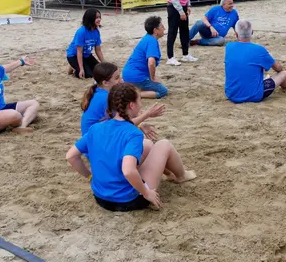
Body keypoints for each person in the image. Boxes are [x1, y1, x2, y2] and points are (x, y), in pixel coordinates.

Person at [67, 83, 196, 212]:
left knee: (147, 145)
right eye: (140, 100)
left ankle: (169, 173)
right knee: (164, 144)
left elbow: (71, 156)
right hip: (128, 200)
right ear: (131, 105)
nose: (141, 104)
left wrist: (90, 177)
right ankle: (181, 176)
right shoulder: (133, 133)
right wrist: (146, 192)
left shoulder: (96, 128)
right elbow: (128, 170)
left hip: (100, 197)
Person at [224, 19, 286, 103]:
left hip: (231, 94)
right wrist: (269, 56)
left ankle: (267, 79)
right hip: (254, 95)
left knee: (252, 68)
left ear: (236, 34)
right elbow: (278, 68)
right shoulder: (259, 50)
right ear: (252, 32)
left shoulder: (229, 47)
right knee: (283, 73)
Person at [81, 62, 164, 136]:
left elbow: (123, 120)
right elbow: (123, 124)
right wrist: (147, 114)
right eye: (117, 78)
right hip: (97, 142)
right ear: (105, 83)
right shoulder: (107, 98)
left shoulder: (98, 91)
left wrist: (140, 123)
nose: (121, 80)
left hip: (93, 139)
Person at [122, 16, 169, 99]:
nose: (164, 28)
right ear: (155, 31)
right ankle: (135, 94)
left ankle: (133, 88)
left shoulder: (147, 38)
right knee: (163, 91)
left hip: (128, 74)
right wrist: (153, 78)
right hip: (136, 77)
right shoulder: (152, 41)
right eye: (162, 27)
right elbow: (151, 63)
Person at [66, 8, 104, 79]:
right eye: (96, 18)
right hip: (74, 55)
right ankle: (73, 68)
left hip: (86, 55)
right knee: (87, 74)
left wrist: (104, 63)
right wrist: (81, 69)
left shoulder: (96, 32)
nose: (99, 19)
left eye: (99, 17)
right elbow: (79, 52)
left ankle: (76, 66)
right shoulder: (81, 32)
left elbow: (98, 50)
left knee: (99, 71)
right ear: (90, 19)